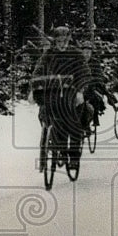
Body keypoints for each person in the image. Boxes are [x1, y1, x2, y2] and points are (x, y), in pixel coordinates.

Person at [33, 25, 86, 165]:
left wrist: (80, 90)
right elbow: (39, 70)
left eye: (64, 41)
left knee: (74, 119)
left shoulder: (76, 54)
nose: (62, 44)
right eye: (59, 41)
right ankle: (52, 139)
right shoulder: (48, 54)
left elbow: (84, 73)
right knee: (45, 113)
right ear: (55, 41)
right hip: (52, 91)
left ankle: (74, 155)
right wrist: (34, 87)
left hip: (71, 92)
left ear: (69, 40)